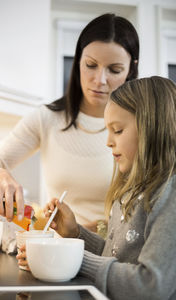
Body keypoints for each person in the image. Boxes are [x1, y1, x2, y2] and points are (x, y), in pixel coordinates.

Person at [0, 13, 139, 233]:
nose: (100, 80)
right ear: (78, 60)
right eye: (91, 65)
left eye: (114, 70)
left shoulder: (140, 127)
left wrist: (81, 231)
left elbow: (141, 216)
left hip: (111, 256)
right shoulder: (47, 118)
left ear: (131, 69)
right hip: (54, 251)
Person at [40, 76, 176, 299]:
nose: (108, 141)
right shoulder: (131, 191)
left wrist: (73, 257)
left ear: (152, 128)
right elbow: (119, 256)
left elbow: (151, 285)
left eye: (118, 130)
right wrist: (76, 234)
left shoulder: (169, 194)